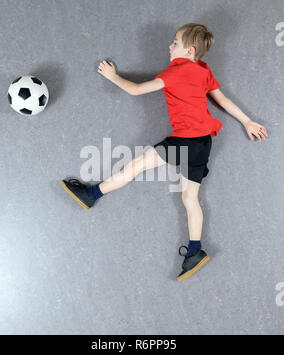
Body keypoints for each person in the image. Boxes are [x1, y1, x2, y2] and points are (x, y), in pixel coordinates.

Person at [61, 23, 268, 281]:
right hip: (204, 142)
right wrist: (247, 121)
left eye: (175, 43)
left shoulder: (174, 73)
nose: (169, 47)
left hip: (182, 142)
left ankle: (91, 194)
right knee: (190, 198)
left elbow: (136, 89)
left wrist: (112, 76)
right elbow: (221, 99)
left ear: (189, 50)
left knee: (134, 167)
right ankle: (195, 250)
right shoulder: (203, 70)